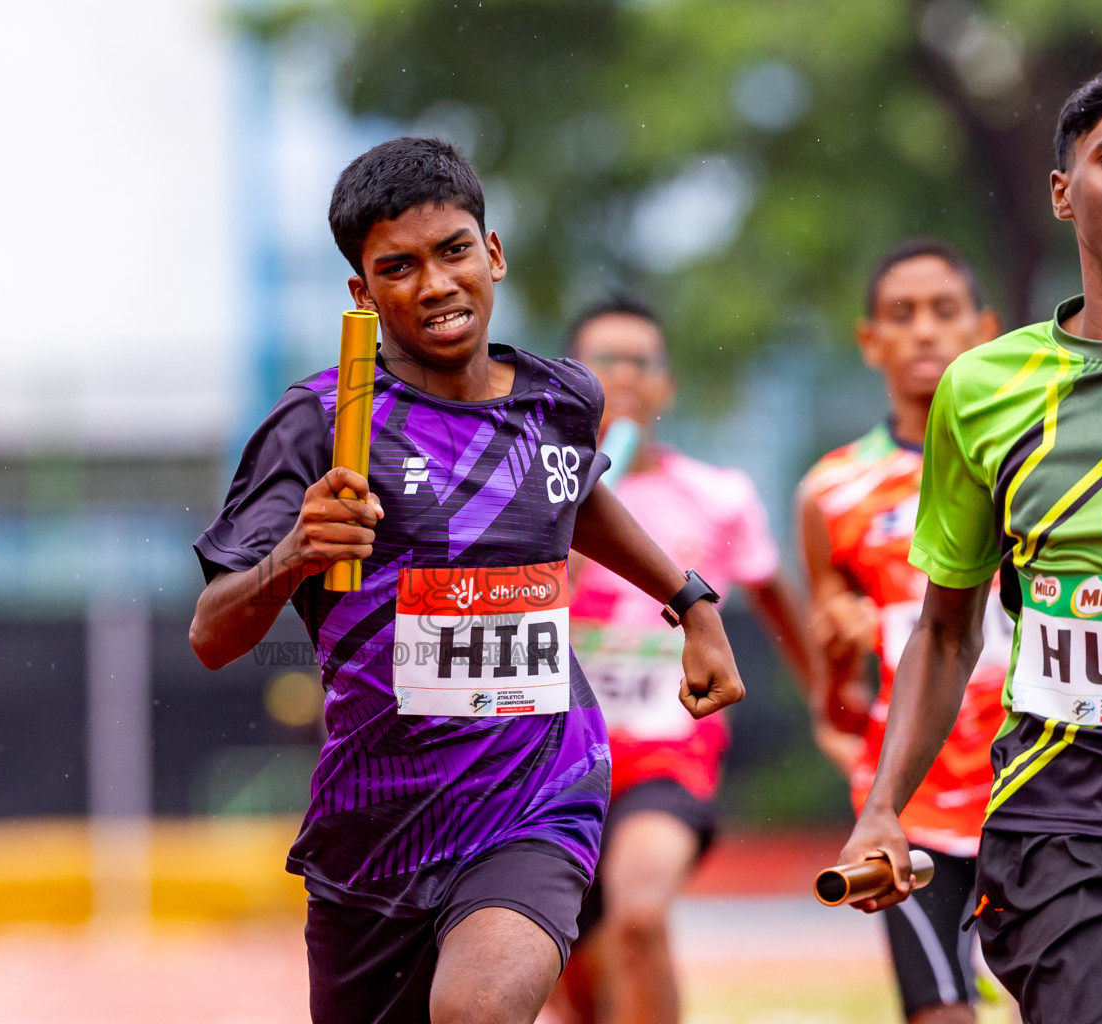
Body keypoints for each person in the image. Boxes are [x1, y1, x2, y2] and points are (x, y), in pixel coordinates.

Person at [189, 137, 745, 1024]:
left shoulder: (561, 401)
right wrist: (293, 553)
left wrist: (689, 598)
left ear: (493, 253)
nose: (436, 284)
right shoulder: (319, 423)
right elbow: (213, 636)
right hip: (376, 830)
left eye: (453, 251)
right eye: (398, 267)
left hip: (538, 796)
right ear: (362, 293)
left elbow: (575, 494)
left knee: (476, 1013)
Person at [838, 57, 1102, 1024]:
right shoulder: (984, 389)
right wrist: (884, 807)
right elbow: (947, 632)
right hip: (1065, 826)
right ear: (1064, 192)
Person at [546, 296, 825, 1024]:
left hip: (668, 756)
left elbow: (778, 601)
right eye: (604, 361)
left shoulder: (717, 496)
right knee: (569, 963)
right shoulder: (529, 497)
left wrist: (828, 703)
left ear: (666, 384)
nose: (625, 376)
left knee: (639, 918)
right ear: (569, 377)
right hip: (550, 764)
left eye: (643, 362)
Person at [799, 239, 1009, 1024]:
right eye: (901, 313)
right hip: (914, 805)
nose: (923, 330)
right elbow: (837, 706)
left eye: (944, 311)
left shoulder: (1035, 463)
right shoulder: (831, 492)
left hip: (1039, 788)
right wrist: (836, 652)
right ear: (869, 339)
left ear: (984, 329)